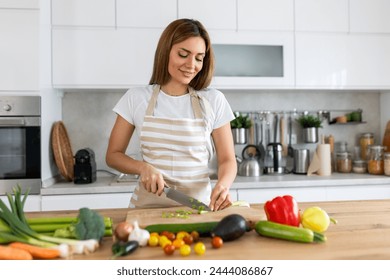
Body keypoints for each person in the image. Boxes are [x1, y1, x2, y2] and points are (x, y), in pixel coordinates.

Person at [106, 18, 237, 211]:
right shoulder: (136, 98)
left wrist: (223, 185)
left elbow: (228, 160)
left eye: (199, 58)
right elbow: (113, 155)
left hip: (199, 209)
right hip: (146, 209)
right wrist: (143, 167)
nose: (191, 65)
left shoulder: (214, 100)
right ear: (166, 51)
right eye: (183, 54)